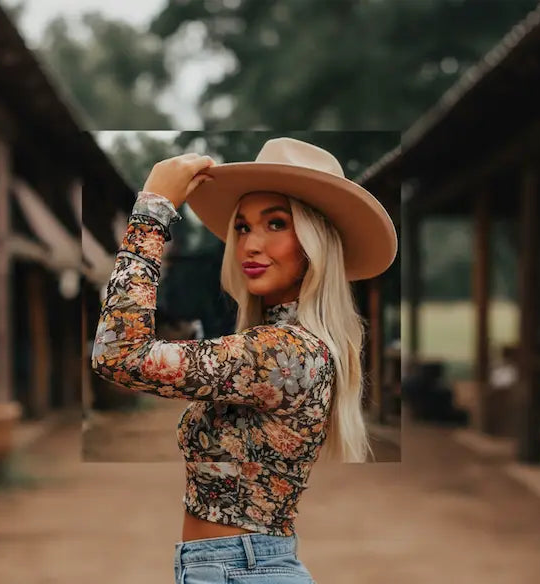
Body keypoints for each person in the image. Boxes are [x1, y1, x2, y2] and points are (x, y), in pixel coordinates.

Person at [91, 137, 397, 583]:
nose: (251, 244)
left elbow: (119, 355)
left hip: (239, 571)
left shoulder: (285, 353)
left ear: (315, 241)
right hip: (234, 568)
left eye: (276, 224)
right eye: (242, 227)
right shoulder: (282, 344)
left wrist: (153, 211)